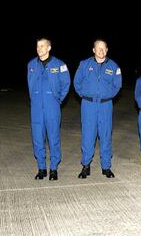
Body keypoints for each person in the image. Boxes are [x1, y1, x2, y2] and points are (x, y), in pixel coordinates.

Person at [74, 39, 122, 178]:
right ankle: (86, 165)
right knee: (88, 135)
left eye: (103, 48)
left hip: (105, 105)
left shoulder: (114, 66)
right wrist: (85, 95)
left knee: (106, 135)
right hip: (88, 105)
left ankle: (106, 167)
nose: (101, 51)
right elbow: (77, 82)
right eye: (98, 48)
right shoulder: (84, 64)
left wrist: (107, 96)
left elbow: (117, 85)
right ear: (93, 50)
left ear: (107, 50)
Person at [27, 38, 70, 181]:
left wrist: (58, 99)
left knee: (53, 138)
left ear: (49, 47)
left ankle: (53, 168)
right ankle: (41, 168)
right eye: (38, 46)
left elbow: (66, 83)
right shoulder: (31, 64)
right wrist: (34, 98)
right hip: (36, 108)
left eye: (42, 46)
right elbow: (30, 85)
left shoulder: (59, 64)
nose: (39, 48)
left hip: (52, 106)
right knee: (38, 138)